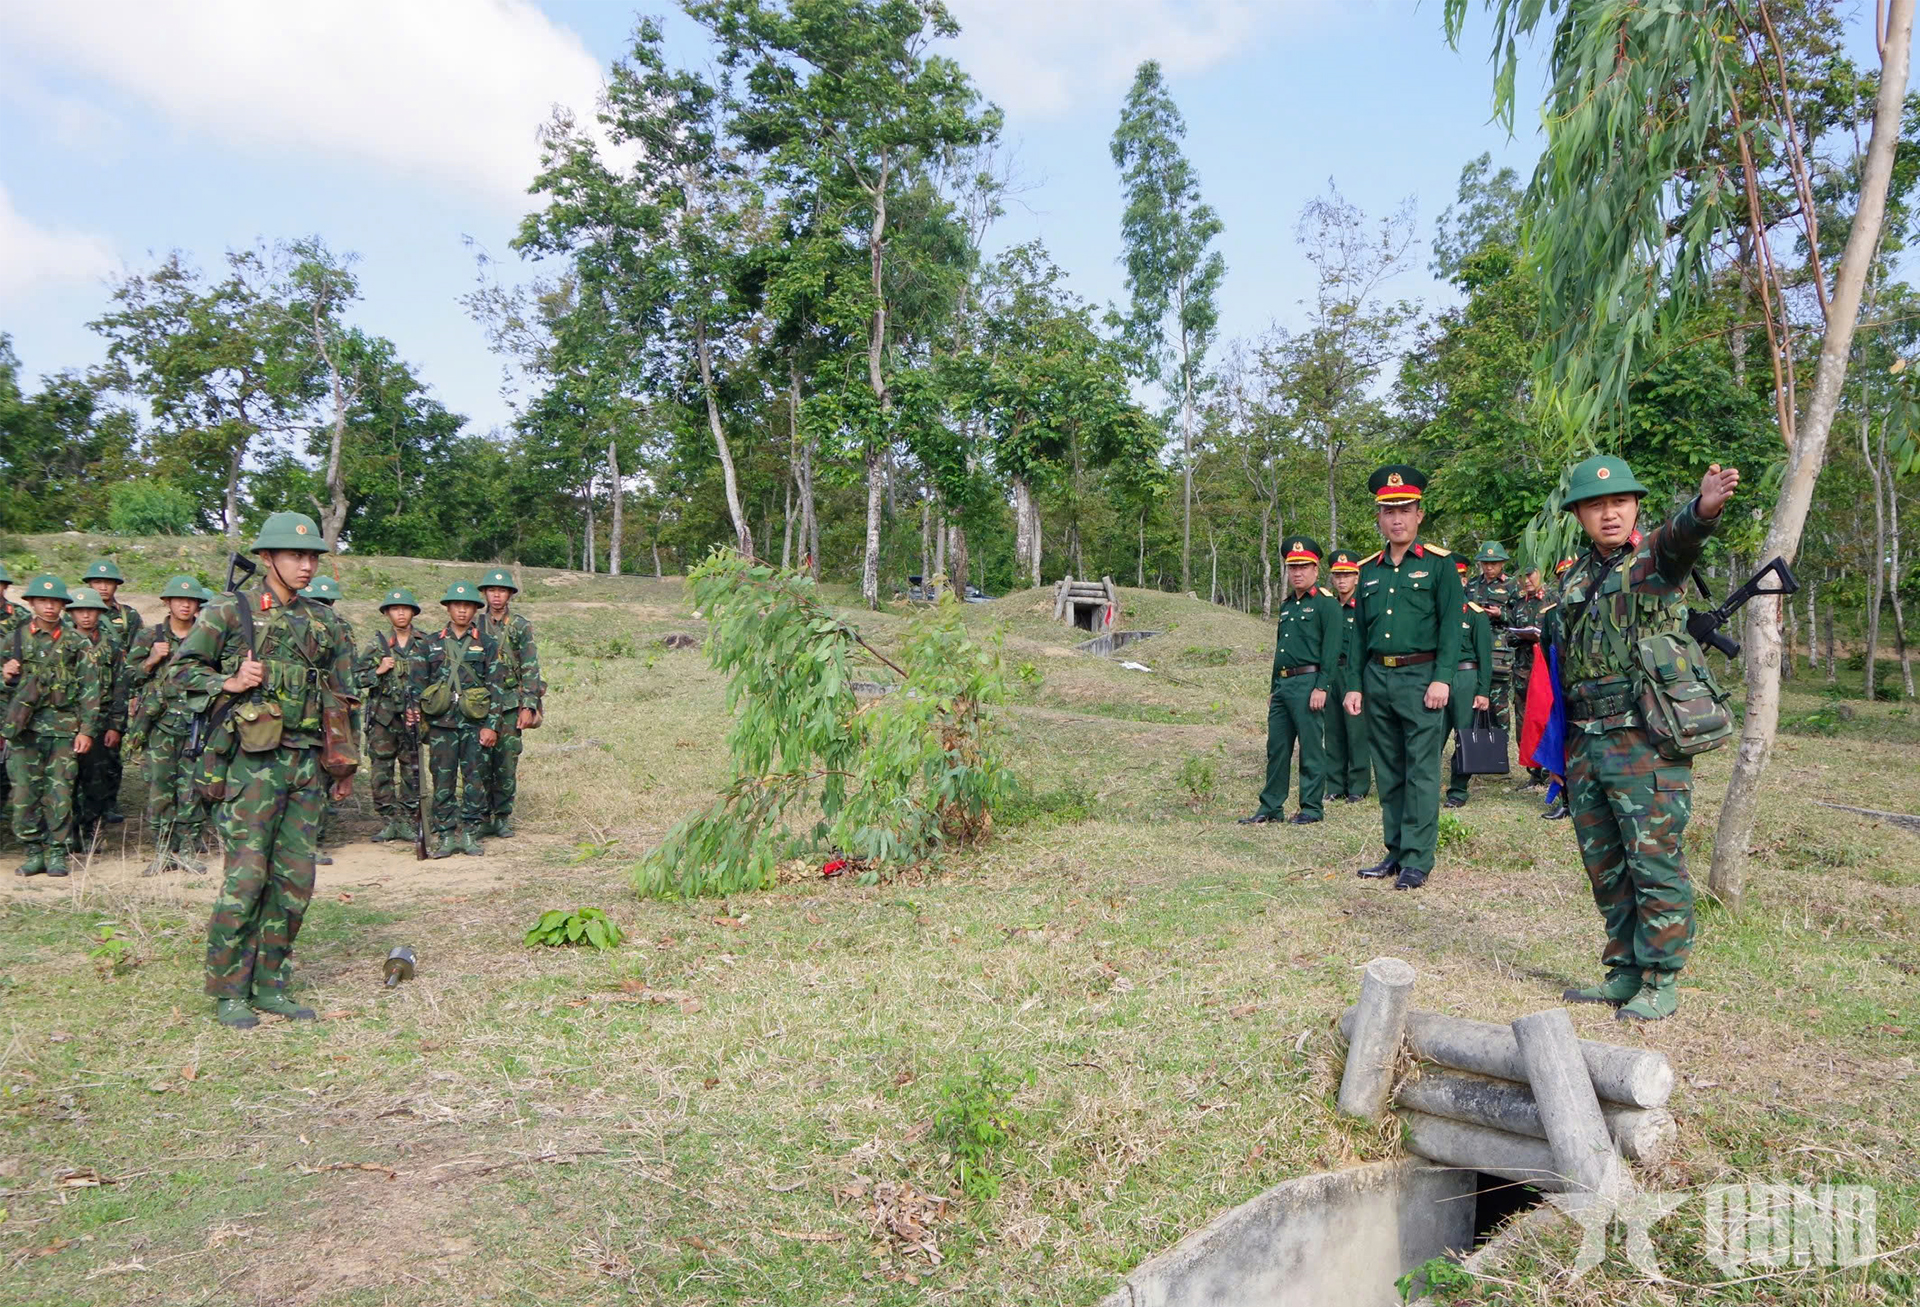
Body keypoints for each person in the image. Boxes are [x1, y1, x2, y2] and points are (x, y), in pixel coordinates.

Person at [1538, 455, 1741, 1023]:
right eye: (1596, 505)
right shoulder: (1572, 577)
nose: (1609, 513)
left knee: (1653, 860)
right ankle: (1624, 968)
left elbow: (1686, 535)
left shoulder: (1654, 559)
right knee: (1604, 863)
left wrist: (1705, 506)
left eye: (1620, 503)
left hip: (1645, 738)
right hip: (1586, 739)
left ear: (1634, 508)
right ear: (1578, 513)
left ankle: (1660, 976)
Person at [172, 512, 358, 1028]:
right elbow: (181, 672)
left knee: (295, 879)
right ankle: (230, 989)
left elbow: (343, 697)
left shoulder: (327, 621)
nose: (306, 564)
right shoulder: (230, 610)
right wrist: (228, 682)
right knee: (248, 877)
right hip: (251, 764)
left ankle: (272, 984)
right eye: (296, 555)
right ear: (268, 558)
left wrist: (344, 764)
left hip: (306, 765)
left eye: (313, 556)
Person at [1344, 465, 1464, 892]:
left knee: (1422, 771)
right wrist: (1356, 684)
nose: (1397, 518)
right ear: (1379, 517)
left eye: (1405, 510)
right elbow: (1358, 633)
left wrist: (1443, 678)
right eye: (1388, 511)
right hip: (1378, 678)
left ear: (1419, 514)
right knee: (1390, 770)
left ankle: (1418, 858)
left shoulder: (1439, 565)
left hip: (1421, 678)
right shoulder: (1369, 570)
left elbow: (1452, 626)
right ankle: (1394, 850)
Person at [3, 575, 103, 879]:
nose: (49, 606)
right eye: (43, 601)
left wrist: (86, 730)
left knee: (60, 795)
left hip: (62, 731)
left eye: (56, 601)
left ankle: (57, 853)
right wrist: (5, 675)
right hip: (24, 731)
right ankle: (34, 852)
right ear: (31, 603)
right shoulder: (14, 640)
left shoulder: (76, 642)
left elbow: (91, 689)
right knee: (23, 795)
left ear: (63, 605)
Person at [1239, 537, 1339, 826]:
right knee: (1277, 748)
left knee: (1310, 748)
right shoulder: (1286, 606)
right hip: (1284, 686)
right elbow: (1281, 651)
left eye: (1303, 567)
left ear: (1315, 569)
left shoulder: (1325, 605)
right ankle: (1270, 807)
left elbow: (1331, 651)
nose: (1297, 573)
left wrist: (1322, 686)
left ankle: (1311, 807)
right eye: (1292, 567)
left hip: (1309, 684)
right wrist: (1273, 688)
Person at [126, 575, 211, 875]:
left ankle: (187, 850)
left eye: (191, 600)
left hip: (195, 724)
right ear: (167, 603)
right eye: (179, 600)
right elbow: (129, 677)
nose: (185, 605)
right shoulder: (151, 636)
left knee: (191, 790)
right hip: (160, 725)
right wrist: (151, 660)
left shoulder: (207, 636)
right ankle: (163, 851)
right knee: (160, 791)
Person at [423, 582, 507, 858]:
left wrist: (491, 725)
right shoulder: (431, 643)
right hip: (441, 725)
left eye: (468, 606)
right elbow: (418, 687)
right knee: (442, 781)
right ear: (448, 608)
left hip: (474, 723)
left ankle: (470, 833)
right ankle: (446, 835)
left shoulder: (487, 643)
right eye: (457, 605)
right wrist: (421, 724)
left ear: (474, 610)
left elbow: (496, 687)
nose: (462, 610)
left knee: (475, 780)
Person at [358, 588, 431, 844]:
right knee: (381, 769)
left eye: (405, 608)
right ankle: (389, 821)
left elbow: (437, 678)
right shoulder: (377, 643)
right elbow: (355, 678)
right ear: (387, 613)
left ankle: (409, 819)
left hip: (412, 716)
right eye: (395, 609)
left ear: (413, 612)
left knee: (412, 768)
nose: (400, 613)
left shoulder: (425, 642)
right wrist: (377, 671)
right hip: (383, 718)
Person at [475, 568, 543, 837]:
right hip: (480, 702)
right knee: (479, 762)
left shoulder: (519, 625)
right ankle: (479, 815)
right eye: (492, 590)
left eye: (501, 590)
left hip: (511, 702)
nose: (496, 595)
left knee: (506, 761)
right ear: (484, 593)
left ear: (510, 595)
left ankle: (501, 817)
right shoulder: (475, 624)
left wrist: (529, 705)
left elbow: (530, 666)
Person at [63, 587, 128, 845]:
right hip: (66, 723)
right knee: (65, 780)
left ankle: (91, 830)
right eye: (80, 610)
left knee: (96, 781)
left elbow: (121, 688)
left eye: (91, 610)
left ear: (100, 613)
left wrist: (116, 726)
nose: (86, 615)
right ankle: (67, 833)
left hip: (101, 724)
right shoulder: (63, 643)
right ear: (71, 613)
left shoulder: (111, 646)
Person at [81, 559, 141, 824]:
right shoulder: (77, 611)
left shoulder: (128, 616)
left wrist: (134, 693)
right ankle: (85, 810)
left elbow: (138, 652)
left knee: (111, 752)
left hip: (117, 687)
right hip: (84, 698)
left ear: (116, 585)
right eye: (97, 582)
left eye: (107, 582)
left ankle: (109, 802)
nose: (102, 587)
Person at [300, 574, 355, 865]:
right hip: (291, 713)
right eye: (316, 601)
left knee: (319, 779)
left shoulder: (338, 629)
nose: (321, 607)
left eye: (326, 602)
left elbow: (345, 676)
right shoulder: (289, 623)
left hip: (325, 710)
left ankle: (314, 840)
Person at [1442, 558, 1494, 810]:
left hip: (1466, 678)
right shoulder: (1433, 613)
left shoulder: (1475, 614)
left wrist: (1483, 692)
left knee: (1464, 736)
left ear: (1464, 581)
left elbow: (1486, 657)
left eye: (1457, 578)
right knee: (1431, 736)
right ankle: (1425, 787)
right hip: (1439, 679)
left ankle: (1458, 790)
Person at [1324, 548, 1371, 803]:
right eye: (1337, 575)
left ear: (1357, 577)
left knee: (1357, 731)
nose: (1342, 580)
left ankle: (1358, 786)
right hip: (1332, 673)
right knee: (1333, 730)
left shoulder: (1363, 607)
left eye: (1347, 575)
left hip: (1356, 674)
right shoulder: (1329, 607)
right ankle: (1334, 784)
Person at [1463, 543, 1520, 737]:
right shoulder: (1472, 585)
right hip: (1473, 649)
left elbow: (1521, 615)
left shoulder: (1512, 585)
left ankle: (1500, 747)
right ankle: (1475, 746)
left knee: (1498, 703)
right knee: (1473, 701)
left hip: (1498, 650)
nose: (1489, 568)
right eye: (1485, 563)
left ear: (1502, 563)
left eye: (1494, 563)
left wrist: (1500, 613)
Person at [1508, 568, 1550, 788]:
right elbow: (1509, 636)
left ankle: (1550, 771)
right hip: (1523, 671)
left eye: (1530, 574)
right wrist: (1519, 634)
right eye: (1522, 576)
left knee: (1546, 718)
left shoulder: (1553, 599)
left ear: (1541, 573)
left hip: (1546, 672)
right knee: (1523, 720)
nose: (1526, 580)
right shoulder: (1519, 604)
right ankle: (1532, 772)